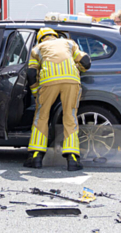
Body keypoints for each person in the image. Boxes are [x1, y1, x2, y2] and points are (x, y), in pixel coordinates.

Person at [25, 27, 91, 171]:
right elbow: (86, 61)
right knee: (70, 115)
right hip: (71, 81)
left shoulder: (37, 48)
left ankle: (36, 156)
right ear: (55, 35)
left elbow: (31, 73)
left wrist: (36, 93)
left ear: (40, 38)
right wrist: (79, 68)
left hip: (48, 80)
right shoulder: (69, 43)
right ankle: (72, 158)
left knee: (41, 116)